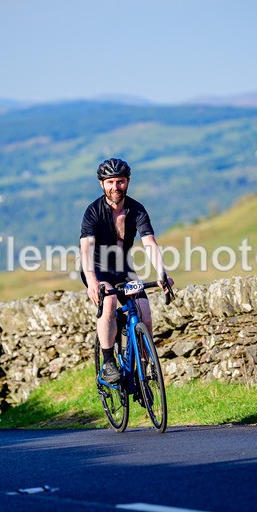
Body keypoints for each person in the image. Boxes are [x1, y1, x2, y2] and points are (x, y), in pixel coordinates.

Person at [79, 158, 173, 384]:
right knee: (109, 302)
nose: (115, 187)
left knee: (145, 315)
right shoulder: (93, 211)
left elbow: (149, 242)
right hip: (97, 270)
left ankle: (141, 368)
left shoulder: (136, 209)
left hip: (124, 270)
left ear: (127, 182)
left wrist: (161, 273)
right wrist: (92, 282)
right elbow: (86, 250)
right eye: (110, 182)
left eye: (120, 182)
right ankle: (109, 361)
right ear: (102, 184)